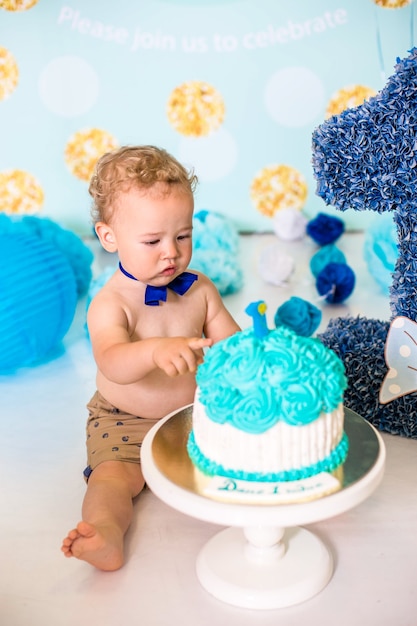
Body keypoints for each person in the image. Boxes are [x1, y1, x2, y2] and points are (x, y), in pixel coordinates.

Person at [61, 145, 240, 571]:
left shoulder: (199, 288)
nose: (171, 253)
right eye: (152, 241)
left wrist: (245, 353)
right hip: (126, 417)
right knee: (113, 480)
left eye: (182, 236)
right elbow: (113, 361)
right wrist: (156, 350)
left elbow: (232, 345)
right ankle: (104, 532)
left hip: (197, 413)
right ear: (110, 238)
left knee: (243, 453)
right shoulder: (111, 302)